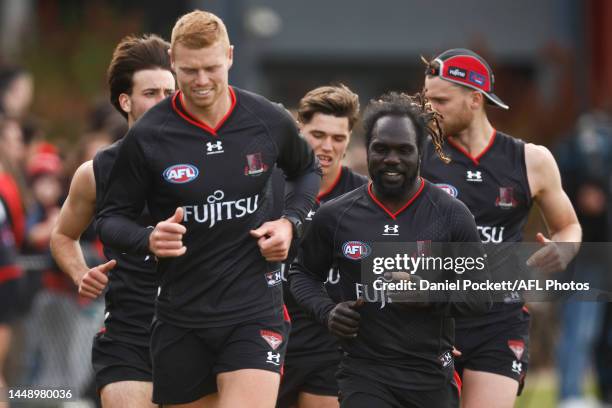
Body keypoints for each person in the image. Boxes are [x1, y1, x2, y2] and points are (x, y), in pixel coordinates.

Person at [95, 10, 320, 408]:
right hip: (181, 317)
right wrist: (149, 238)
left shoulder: (267, 119)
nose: (201, 82)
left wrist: (290, 222)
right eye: (189, 70)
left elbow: (307, 171)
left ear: (230, 56)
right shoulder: (148, 136)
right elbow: (110, 219)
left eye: (212, 68)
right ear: (172, 64)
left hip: (253, 311)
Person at [289, 92, 492, 408]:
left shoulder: (451, 214)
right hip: (363, 373)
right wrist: (327, 311)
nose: (391, 159)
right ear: (366, 150)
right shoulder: (336, 214)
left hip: (430, 374)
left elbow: (480, 295)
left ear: (420, 153)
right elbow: (303, 274)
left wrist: (427, 295)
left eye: (403, 150)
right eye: (381, 149)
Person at [420, 48, 582, 408]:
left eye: (440, 100)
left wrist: (563, 248)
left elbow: (569, 226)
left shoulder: (532, 159)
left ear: (475, 99)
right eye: (426, 100)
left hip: (499, 319)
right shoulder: (417, 155)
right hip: (430, 316)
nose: (430, 109)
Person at [50, 34, 176, 407]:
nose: (164, 103)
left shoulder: (212, 162)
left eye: (171, 93)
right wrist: (79, 273)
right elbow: (62, 235)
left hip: (196, 331)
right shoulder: (96, 171)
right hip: (128, 334)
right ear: (126, 101)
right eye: (151, 93)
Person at [277, 84, 366, 408]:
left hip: (334, 344)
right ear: (300, 130)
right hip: (273, 341)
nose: (327, 146)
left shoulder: (366, 198)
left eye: (338, 138)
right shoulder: (269, 188)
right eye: (318, 134)